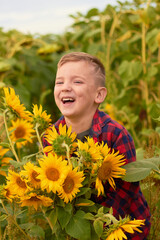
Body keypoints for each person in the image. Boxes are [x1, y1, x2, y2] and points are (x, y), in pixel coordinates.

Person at [43, 52, 151, 239]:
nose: (65, 87)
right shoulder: (50, 137)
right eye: (59, 82)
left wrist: (99, 224)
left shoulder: (116, 134)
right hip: (76, 224)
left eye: (77, 82)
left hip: (121, 223)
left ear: (99, 95)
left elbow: (126, 188)